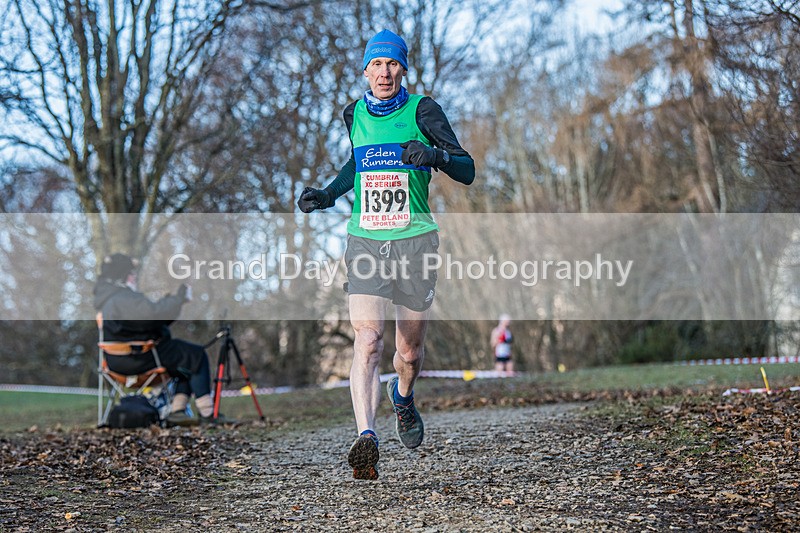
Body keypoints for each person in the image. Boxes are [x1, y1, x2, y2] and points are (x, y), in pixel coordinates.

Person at [298, 29, 475, 479]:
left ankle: (403, 396)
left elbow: (467, 168)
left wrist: (434, 154)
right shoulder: (353, 113)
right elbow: (357, 163)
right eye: (376, 64)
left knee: (409, 353)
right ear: (365, 70)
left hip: (415, 240)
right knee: (368, 338)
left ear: (403, 69)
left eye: (392, 64)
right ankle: (366, 437)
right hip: (366, 239)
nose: (384, 72)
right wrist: (329, 193)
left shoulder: (424, 110)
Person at [93, 253, 229, 426]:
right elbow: (155, 315)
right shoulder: (125, 298)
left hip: (115, 363)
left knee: (185, 362)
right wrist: (178, 298)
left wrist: (171, 303)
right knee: (196, 355)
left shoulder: (107, 300)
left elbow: (152, 319)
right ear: (123, 276)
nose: (134, 277)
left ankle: (178, 412)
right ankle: (208, 413)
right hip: (140, 360)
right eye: (131, 273)